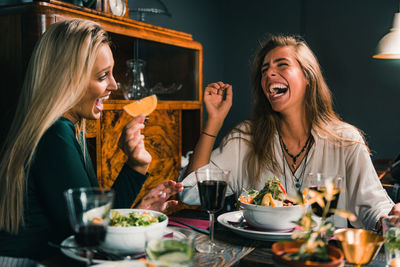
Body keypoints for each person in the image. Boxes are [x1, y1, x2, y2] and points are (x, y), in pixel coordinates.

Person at [0, 18, 183, 260]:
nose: (114, 85)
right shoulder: (54, 134)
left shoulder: (63, 129)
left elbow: (92, 222)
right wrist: (135, 170)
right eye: (102, 76)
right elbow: (91, 237)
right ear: (66, 79)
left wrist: (137, 201)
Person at [180, 34, 399, 231]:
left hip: (319, 258)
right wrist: (214, 122)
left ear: (307, 76)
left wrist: (390, 218)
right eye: (264, 70)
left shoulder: (346, 141)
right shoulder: (245, 138)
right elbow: (190, 193)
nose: (269, 74)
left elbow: (375, 206)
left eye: (281, 65)